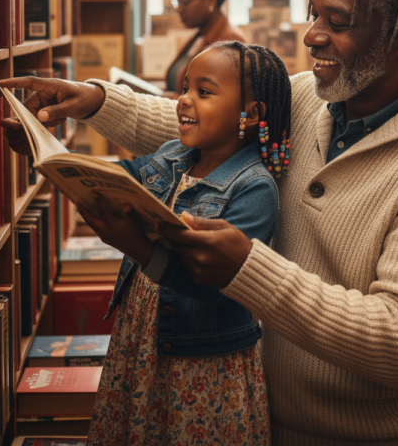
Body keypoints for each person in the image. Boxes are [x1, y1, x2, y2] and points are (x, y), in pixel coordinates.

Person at [1, 0, 398, 446]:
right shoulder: (305, 98)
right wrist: (95, 101)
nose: (312, 36)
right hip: (257, 417)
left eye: (338, 23)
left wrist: (248, 269)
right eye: (314, 15)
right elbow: (205, 127)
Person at [48, 42, 290, 445]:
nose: (183, 102)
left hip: (203, 365)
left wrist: (140, 248)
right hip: (143, 341)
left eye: (204, 92)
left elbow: (216, 285)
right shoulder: (173, 155)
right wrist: (55, 156)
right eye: (183, 89)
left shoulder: (255, 188)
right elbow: (122, 177)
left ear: (252, 114)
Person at [163, 0, 247, 97]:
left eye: (184, 1)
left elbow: (225, 103)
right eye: (177, 1)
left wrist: (174, 101)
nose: (179, 9)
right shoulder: (200, 36)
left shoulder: (230, 43)